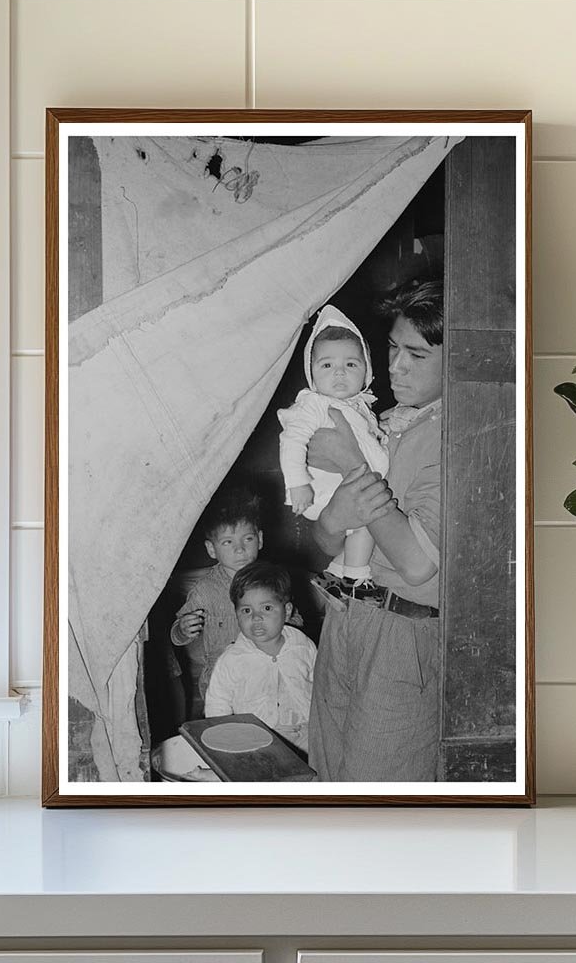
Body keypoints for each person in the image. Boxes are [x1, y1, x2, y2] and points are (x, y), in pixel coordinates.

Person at [306, 276, 444, 782]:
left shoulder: (461, 434)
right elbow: (323, 539)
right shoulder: (383, 421)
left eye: (417, 356)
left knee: (378, 793)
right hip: (345, 616)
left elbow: (417, 564)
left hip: (404, 636)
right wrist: (335, 517)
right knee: (326, 774)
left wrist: (350, 464)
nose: (395, 366)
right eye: (390, 349)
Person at [277, 305, 389, 588]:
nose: (339, 373)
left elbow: (366, 440)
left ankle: (336, 571)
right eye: (327, 365)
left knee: (359, 528)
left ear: (367, 371)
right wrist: (297, 482)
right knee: (366, 522)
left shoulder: (360, 407)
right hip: (323, 489)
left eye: (351, 364)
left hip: (346, 484)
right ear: (311, 372)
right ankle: (356, 580)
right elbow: (291, 440)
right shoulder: (314, 404)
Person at [170, 488, 302, 717]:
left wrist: (287, 620)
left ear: (259, 539)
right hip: (223, 685)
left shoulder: (272, 581)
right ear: (212, 549)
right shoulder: (205, 591)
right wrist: (183, 629)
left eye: (247, 539)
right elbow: (176, 635)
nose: (240, 549)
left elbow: (296, 621)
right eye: (228, 542)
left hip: (266, 678)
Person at [205, 561, 317, 752]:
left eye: (266, 608)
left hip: (305, 732)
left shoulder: (302, 645)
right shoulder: (233, 659)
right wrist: (223, 738)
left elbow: (320, 683)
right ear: (237, 614)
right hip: (256, 737)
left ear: (287, 611)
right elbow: (218, 701)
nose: (256, 617)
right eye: (246, 610)